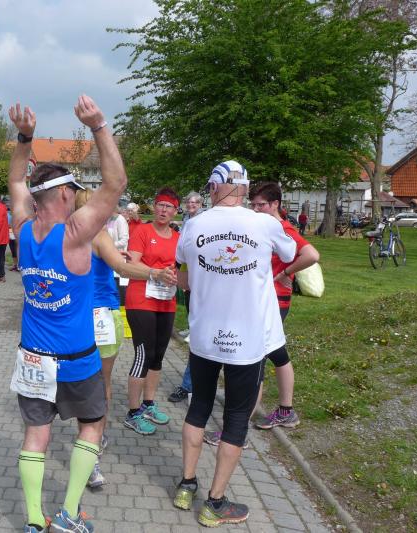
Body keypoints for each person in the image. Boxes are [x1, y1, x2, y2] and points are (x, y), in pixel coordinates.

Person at [7, 96, 126, 533]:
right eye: (73, 191)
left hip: (32, 356)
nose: (76, 197)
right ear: (62, 193)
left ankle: (34, 521)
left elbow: (16, 178)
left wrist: (24, 137)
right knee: (91, 427)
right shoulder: (76, 233)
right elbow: (116, 182)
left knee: (35, 435)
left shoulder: (22, 227)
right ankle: (70, 515)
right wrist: (99, 125)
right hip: (76, 359)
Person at [174, 160, 296, 527]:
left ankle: (186, 485)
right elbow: (290, 254)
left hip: (204, 337)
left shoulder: (193, 225)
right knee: (236, 419)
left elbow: (182, 275)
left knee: (198, 408)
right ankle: (214, 502)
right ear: (243, 189)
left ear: (213, 188)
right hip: (246, 341)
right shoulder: (264, 223)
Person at [74, 189, 176, 489]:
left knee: (79, 383)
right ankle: (92, 448)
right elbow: (122, 268)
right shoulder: (98, 234)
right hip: (102, 316)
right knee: (100, 385)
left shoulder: (64, 234)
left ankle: (91, 438)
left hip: (73, 316)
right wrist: (154, 273)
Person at [247, 183, 319, 429]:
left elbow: (311, 255)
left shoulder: (283, 229)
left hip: (275, 300)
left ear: (275, 204)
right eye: (253, 205)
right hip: (261, 299)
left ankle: (238, 426)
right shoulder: (262, 226)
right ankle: (286, 411)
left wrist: (285, 273)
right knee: (277, 354)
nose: (256, 209)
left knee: (257, 358)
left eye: (261, 205)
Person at [122, 187, 181, 436]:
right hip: (141, 299)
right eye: (160, 205)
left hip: (166, 301)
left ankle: (148, 404)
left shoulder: (178, 237)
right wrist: (155, 273)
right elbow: (130, 266)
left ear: (175, 210)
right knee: (143, 355)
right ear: (154, 207)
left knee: (158, 356)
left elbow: (182, 268)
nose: (163, 210)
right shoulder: (142, 231)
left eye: (169, 207)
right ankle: (133, 412)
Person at [169, 191, 205, 403]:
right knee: (197, 337)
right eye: (188, 202)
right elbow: (181, 258)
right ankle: (188, 385)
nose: (191, 205)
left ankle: (199, 387)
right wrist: (183, 280)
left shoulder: (204, 222)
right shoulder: (187, 223)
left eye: (195, 202)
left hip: (218, 294)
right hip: (195, 288)